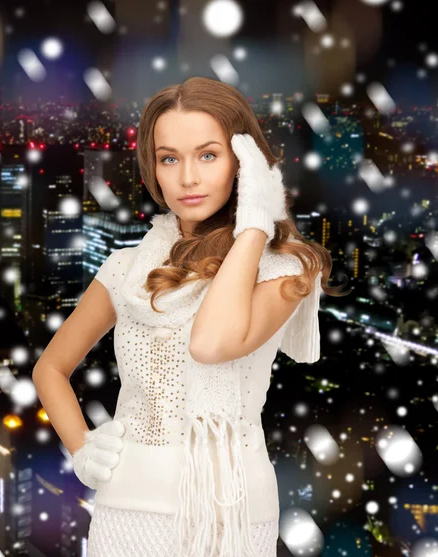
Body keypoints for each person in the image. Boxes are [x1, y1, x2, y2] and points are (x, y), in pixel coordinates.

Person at [32, 76, 350, 557]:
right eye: (169, 158)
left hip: (234, 513)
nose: (187, 178)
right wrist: (81, 447)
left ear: (243, 164)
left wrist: (253, 229)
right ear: (153, 169)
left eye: (208, 155)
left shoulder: (285, 269)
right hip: (126, 509)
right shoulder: (125, 269)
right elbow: (49, 369)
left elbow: (211, 343)